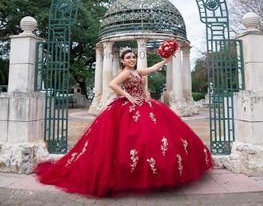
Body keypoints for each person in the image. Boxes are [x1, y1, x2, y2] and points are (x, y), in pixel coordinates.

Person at [34, 47, 213, 197]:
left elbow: (152, 69)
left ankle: (151, 173)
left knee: (155, 139)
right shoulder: (126, 73)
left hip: (146, 105)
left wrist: (166, 60)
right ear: (123, 60)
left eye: (134, 57)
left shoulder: (136, 71)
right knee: (133, 140)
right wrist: (128, 96)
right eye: (128, 57)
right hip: (130, 107)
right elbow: (112, 84)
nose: (132, 59)